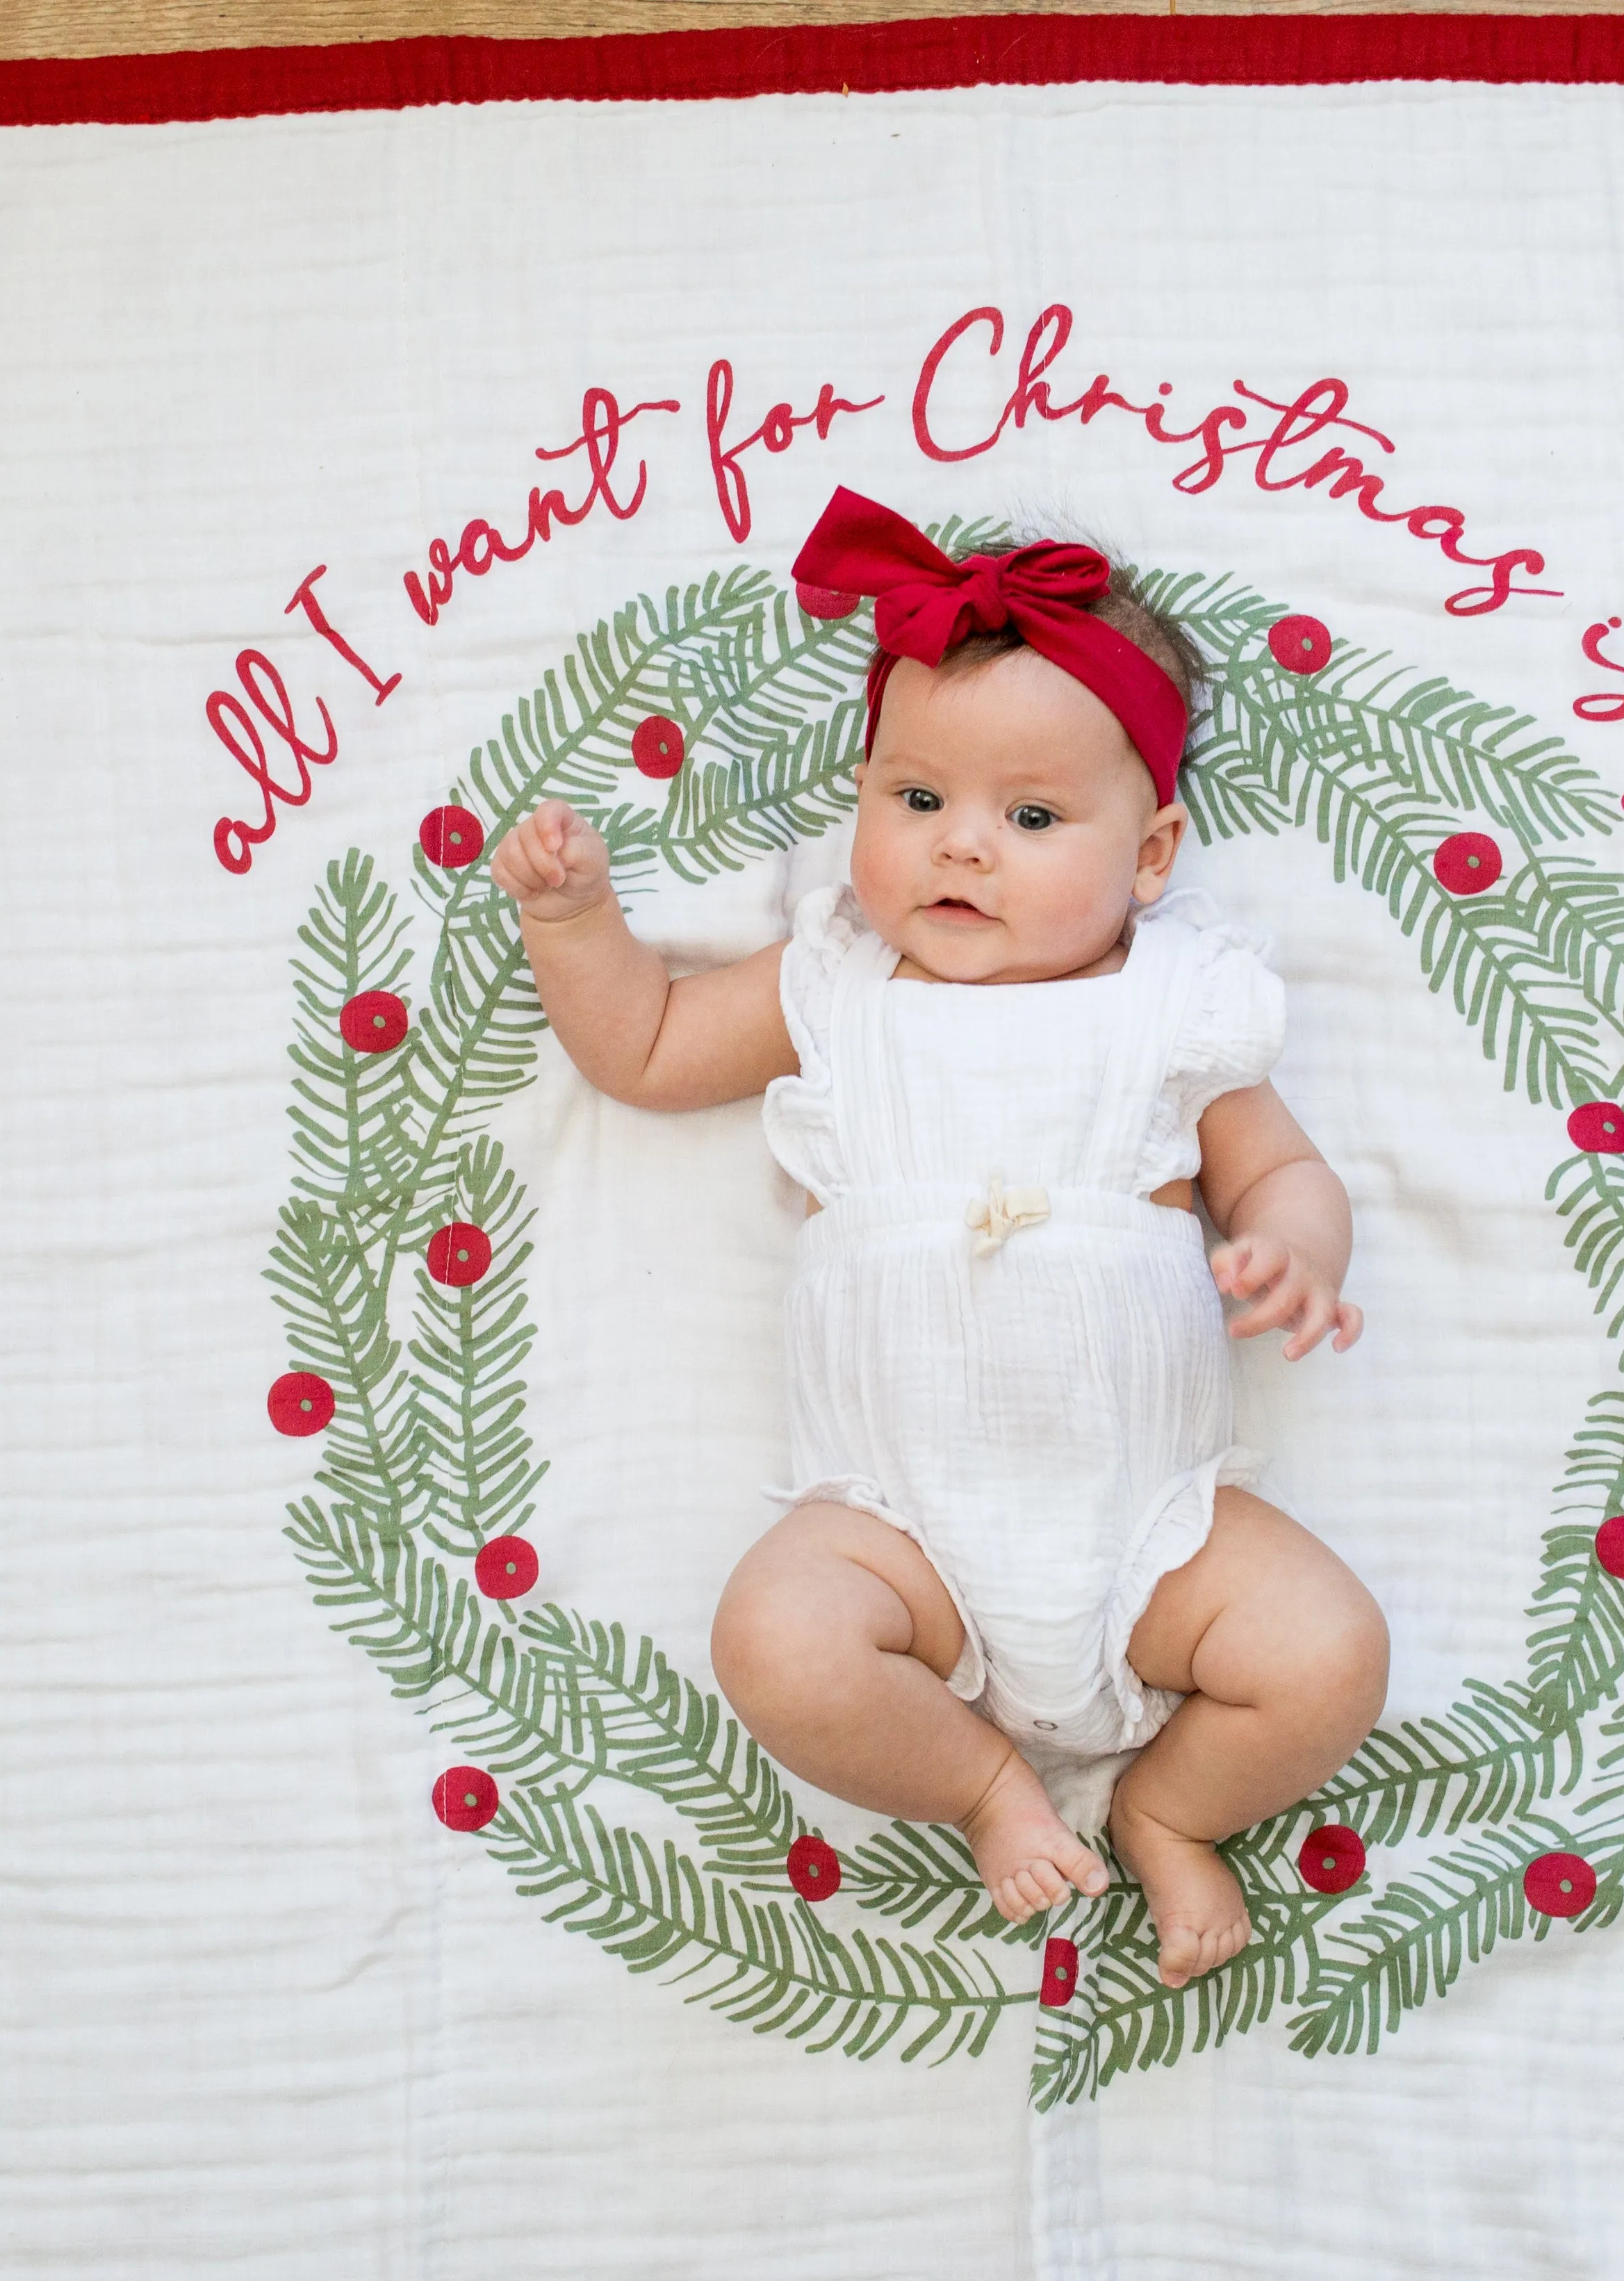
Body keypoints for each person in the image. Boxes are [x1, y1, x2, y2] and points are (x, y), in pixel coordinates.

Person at [491, 489, 1388, 1990]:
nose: (959, 849)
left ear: (1150, 851)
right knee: (776, 1644)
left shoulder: (1178, 1005)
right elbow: (643, 1050)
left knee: (1328, 1658)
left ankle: (1172, 1814)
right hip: (896, 1534)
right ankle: (981, 1784)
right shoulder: (838, 981)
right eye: (915, 802)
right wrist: (577, 927)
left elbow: (1282, 1167)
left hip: (1152, 1532)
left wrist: (1298, 1251)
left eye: (1030, 820)